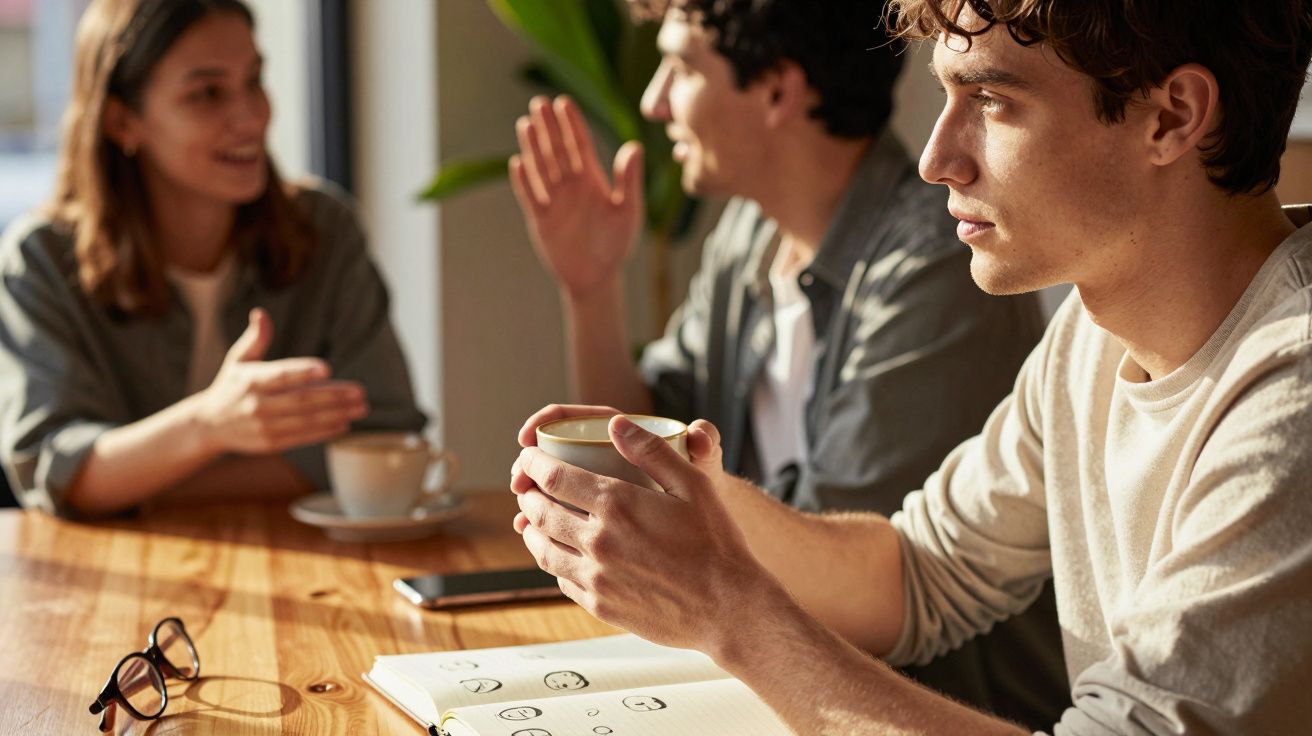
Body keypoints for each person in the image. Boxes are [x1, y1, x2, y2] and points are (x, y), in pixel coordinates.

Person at [510, 0, 1312, 732]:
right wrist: (702, 503)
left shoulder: (1293, 399)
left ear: (1171, 117)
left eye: (992, 101)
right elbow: (917, 574)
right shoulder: (1093, 336)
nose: (936, 159)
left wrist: (730, 610)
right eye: (946, 99)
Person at [508, 0, 1063, 725]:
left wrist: (698, 552)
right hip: (771, 680)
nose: (653, 101)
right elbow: (644, 456)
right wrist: (592, 290)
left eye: (679, 65)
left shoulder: (939, 263)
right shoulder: (748, 239)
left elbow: (852, 584)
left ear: (778, 90)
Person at [0, 0, 424, 517]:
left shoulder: (324, 230)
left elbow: (388, 439)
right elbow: (55, 472)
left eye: (254, 80)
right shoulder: (40, 258)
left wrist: (139, 479)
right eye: (206, 94)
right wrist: (209, 424)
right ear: (122, 122)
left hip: (309, 563)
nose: (250, 117)